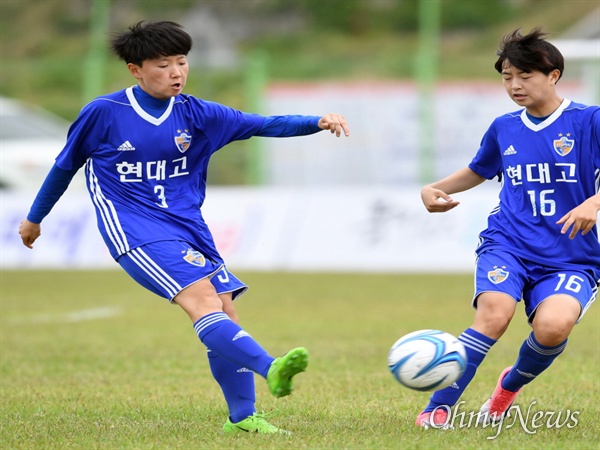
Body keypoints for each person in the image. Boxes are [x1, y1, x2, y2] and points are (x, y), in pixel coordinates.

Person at [18, 20, 349, 434]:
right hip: (134, 228)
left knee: (226, 310)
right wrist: (34, 218)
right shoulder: (104, 113)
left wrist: (317, 120)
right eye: (163, 64)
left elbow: (264, 124)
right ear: (136, 70)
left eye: (181, 62)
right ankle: (272, 367)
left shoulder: (199, 114)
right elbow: (65, 166)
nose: (176, 72)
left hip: (189, 228)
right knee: (203, 301)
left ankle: (244, 419)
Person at [415, 27, 600, 429]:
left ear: (553, 75)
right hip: (509, 243)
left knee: (553, 328)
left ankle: (507, 388)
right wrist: (433, 189)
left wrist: (595, 200)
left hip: (572, 255)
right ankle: (437, 408)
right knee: (494, 315)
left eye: (525, 76)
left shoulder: (590, 121)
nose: (514, 85)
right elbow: (479, 169)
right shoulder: (505, 126)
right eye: (506, 76)